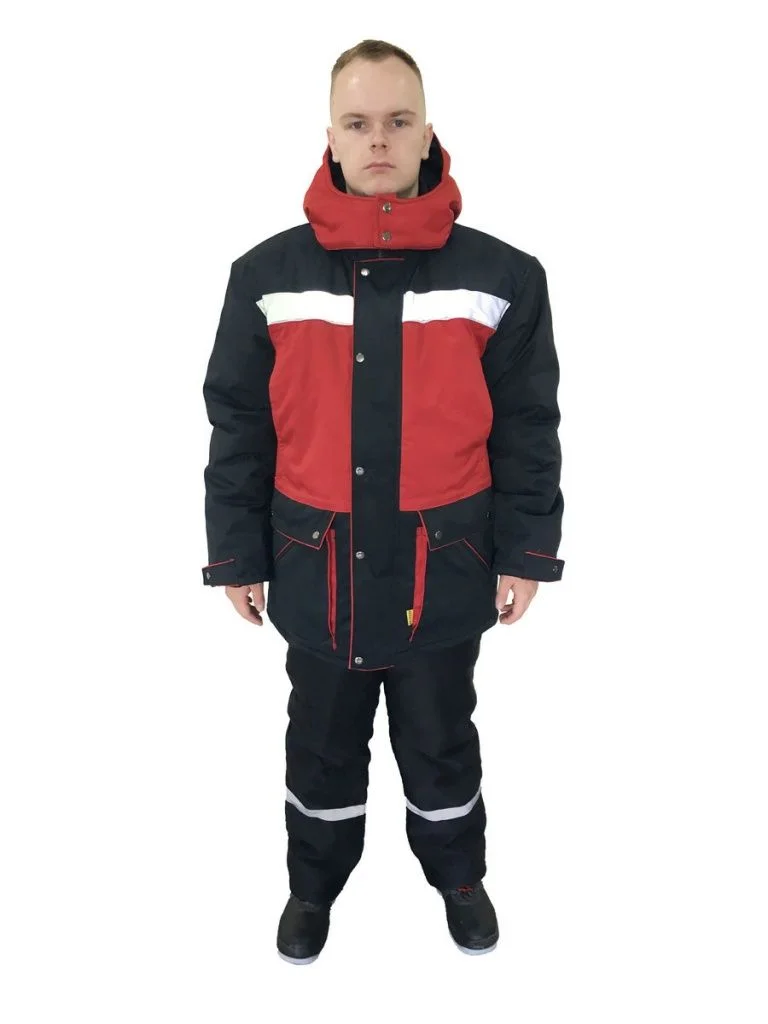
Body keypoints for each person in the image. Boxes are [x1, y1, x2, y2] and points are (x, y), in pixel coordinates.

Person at [201, 38, 565, 964]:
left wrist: (527, 551)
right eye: (358, 122)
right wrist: (237, 555)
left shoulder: (503, 278)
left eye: (398, 121)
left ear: (428, 132)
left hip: (446, 567)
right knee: (321, 746)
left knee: (442, 740)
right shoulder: (266, 277)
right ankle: (313, 886)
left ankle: (459, 877)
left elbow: (528, 427)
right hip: (312, 565)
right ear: (328, 136)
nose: (378, 140)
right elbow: (240, 425)